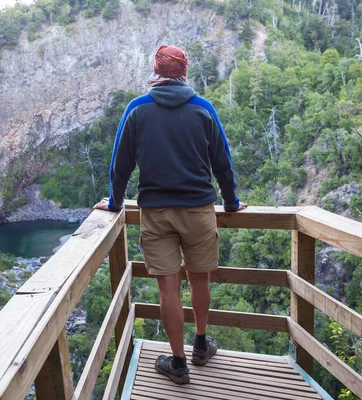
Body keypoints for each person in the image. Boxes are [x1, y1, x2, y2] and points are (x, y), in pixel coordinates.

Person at [93, 44, 247, 385]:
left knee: (169, 290)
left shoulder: (137, 109)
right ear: (184, 73)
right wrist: (232, 203)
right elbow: (222, 163)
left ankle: (178, 364)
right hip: (199, 210)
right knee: (200, 278)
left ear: (156, 71)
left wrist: (116, 203)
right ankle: (202, 345)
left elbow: (121, 165)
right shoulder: (203, 109)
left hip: (157, 213)